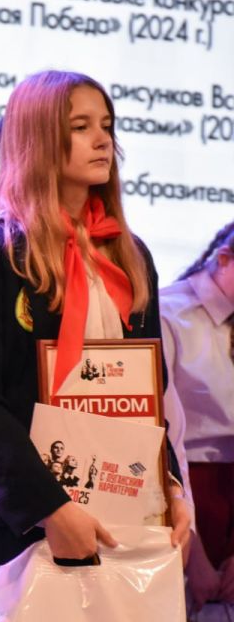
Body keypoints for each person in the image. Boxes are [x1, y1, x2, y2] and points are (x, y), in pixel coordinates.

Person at [0, 70, 191, 593]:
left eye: (107, 125)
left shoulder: (130, 255)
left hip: (127, 512)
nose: (103, 140)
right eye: (81, 127)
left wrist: (169, 488)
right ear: (38, 138)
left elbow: (150, 395)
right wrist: (50, 507)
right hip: (29, 523)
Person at [160, 221, 234, 610]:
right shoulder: (168, 312)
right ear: (223, 259)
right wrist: (194, 553)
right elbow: (161, 433)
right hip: (184, 487)